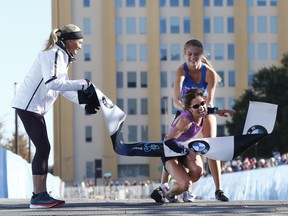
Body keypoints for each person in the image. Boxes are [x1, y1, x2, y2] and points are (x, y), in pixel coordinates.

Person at [10, 24, 99, 209]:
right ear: (69, 40)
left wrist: (84, 103)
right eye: (79, 42)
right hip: (28, 106)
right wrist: (84, 84)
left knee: (43, 148)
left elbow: (63, 87)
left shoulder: (62, 56)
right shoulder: (53, 54)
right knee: (43, 147)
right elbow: (52, 83)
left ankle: (40, 194)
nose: (81, 47)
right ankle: (38, 196)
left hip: (34, 107)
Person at [158, 39, 229, 202]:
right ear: (185, 54)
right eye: (189, 54)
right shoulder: (181, 72)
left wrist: (204, 113)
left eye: (196, 54)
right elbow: (175, 99)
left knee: (212, 147)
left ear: (202, 55)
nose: (192, 57)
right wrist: (186, 110)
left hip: (202, 110)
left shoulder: (209, 73)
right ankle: (163, 186)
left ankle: (218, 189)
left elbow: (209, 100)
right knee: (171, 147)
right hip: (184, 111)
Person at [150, 89, 233, 202]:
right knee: (186, 184)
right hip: (171, 153)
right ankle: (169, 191)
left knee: (198, 171)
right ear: (189, 108)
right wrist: (188, 152)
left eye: (203, 103)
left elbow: (205, 109)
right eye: (196, 106)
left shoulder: (202, 112)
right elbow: (168, 141)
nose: (201, 108)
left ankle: (168, 192)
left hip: (185, 149)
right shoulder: (185, 121)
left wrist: (218, 111)